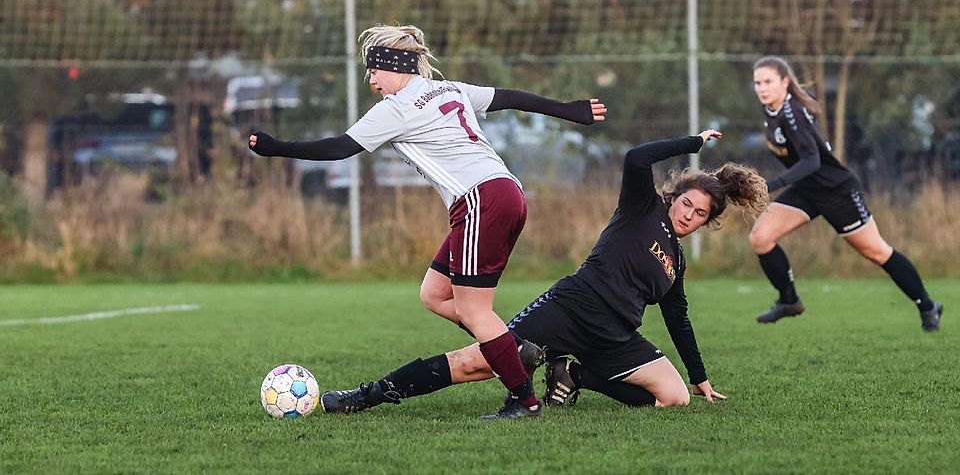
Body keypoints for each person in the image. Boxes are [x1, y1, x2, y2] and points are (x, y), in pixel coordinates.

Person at [247, 24, 607, 419]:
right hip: (506, 192)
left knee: (473, 310)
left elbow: (339, 148)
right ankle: (515, 349)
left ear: (392, 67)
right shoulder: (449, 89)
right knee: (435, 294)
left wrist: (276, 148)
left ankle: (524, 399)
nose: (371, 82)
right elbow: (510, 97)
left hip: (479, 200)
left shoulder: (396, 109)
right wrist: (570, 110)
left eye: (373, 72)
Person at [317, 130, 769, 418]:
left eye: (700, 213)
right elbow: (635, 157)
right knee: (479, 363)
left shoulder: (677, 261)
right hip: (572, 308)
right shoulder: (642, 207)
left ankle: (572, 374)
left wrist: (699, 376)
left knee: (674, 397)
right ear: (674, 197)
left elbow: (679, 318)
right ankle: (368, 395)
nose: (688, 213)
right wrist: (692, 143)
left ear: (707, 222)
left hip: (614, 337)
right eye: (686, 202)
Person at [748, 56, 943, 331]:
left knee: (877, 252)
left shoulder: (791, 112)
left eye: (768, 81)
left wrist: (772, 184)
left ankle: (927, 304)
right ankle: (789, 301)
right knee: (761, 237)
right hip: (807, 189)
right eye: (757, 82)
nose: (761, 87)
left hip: (836, 191)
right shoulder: (772, 110)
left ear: (784, 82)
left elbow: (812, 160)